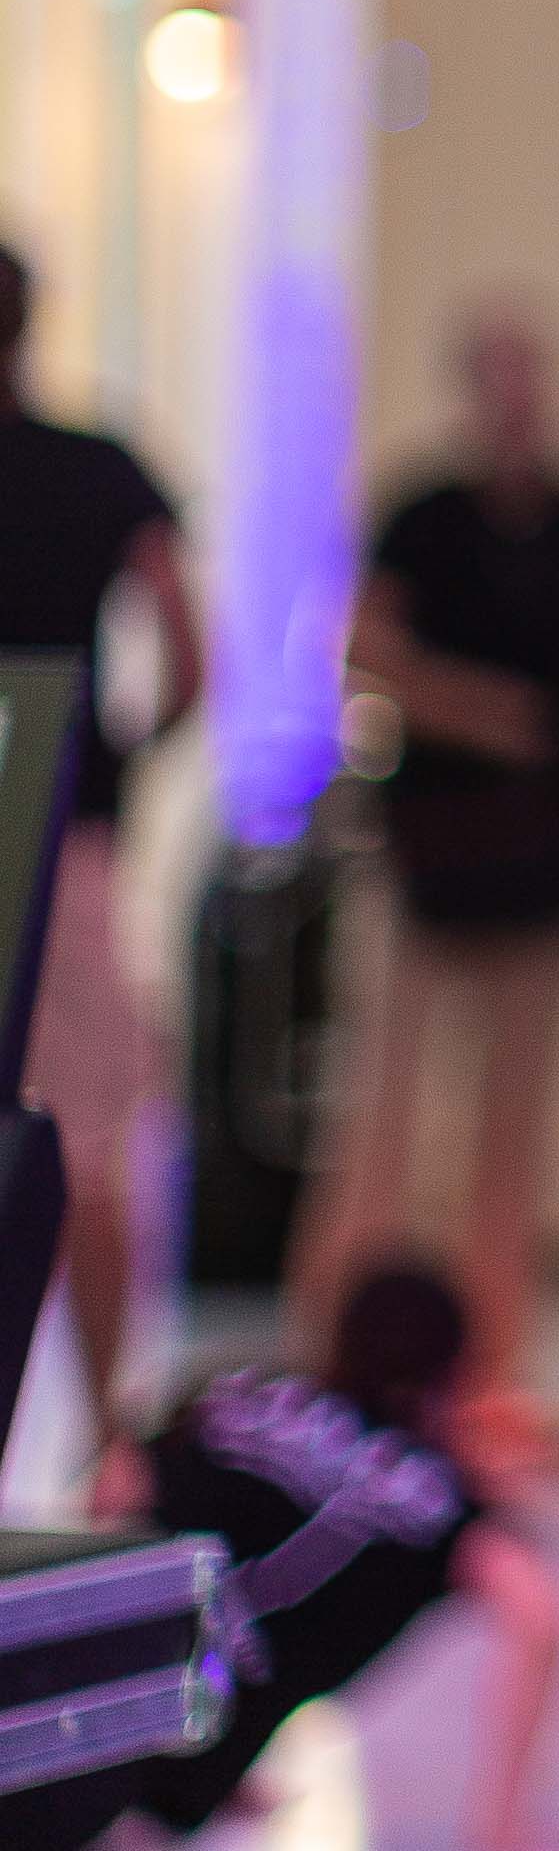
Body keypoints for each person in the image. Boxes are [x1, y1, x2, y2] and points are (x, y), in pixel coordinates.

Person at [294, 303, 559, 1380]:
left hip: (543, 857)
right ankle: (336, 1343)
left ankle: (493, 1365)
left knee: (519, 1122)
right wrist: (482, 713)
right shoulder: (423, 518)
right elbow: (365, 656)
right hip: (430, 852)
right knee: (384, 1112)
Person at [0, 1250, 559, 1851]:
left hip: (39, 1705)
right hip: (114, 1794)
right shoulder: (439, 1503)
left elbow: (111, 1491)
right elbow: (538, 1612)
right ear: (457, 1375)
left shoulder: (238, 1393)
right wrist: (505, 1825)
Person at [0, 239, 205, 1441]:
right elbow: (188, 649)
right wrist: (123, 751)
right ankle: (109, 1436)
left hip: (60, 829)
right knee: (85, 1141)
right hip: (66, 828)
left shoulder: (96, 466)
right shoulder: (96, 470)